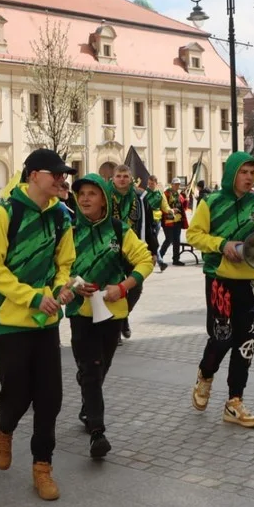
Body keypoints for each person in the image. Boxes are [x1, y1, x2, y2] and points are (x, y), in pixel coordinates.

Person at [0, 149, 76, 502]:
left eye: (63, 174)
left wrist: (59, 290)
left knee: (50, 398)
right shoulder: (5, 213)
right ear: (34, 175)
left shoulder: (61, 217)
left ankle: (42, 467)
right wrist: (33, 297)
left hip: (46, 322)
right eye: (55, 174)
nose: (61, 179)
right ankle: (4, 429)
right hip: (10, 321)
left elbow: (65, 263)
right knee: (17, 394)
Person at [186, 152, 254, 428]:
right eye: (244, 172)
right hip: (220, 281)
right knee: (221, 337)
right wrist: (221, 244)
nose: (250, 178)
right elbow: (193, 234)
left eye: (253, 173)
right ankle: (206, 374)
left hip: (252, 284)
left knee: (245, 345)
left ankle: (234, 402)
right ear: (232, 174)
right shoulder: (211, 203)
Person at [65, 174, 153, 458]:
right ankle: (97, 433)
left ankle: (88, 403)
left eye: (92, 193)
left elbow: (145, 259)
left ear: (104, 198)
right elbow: (58, 269)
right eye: (82, 194)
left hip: (111, 313)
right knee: (91, 369)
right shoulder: (68, 231)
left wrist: (123, 287)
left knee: (100, 367)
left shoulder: (119, 230)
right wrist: (76, 285)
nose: (85, 199)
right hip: (80, 311)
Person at [110, 165, 158, 343]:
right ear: (113, 178)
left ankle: (123, 316)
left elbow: (149, 224)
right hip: (111, 249)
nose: (122, 179)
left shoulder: (140, 197)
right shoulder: (106, 196)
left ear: (131, 179)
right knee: (114, 286)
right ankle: (114, 327)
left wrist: (153, 250)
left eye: (125, 176)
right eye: (118, 176)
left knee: (136, 287)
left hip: (133, 248)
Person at [142, 175, 171, 272]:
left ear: (156, 183)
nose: (150, 185)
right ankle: (160, 262)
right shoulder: (144, 193)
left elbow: (165, 206)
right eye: (149, 183)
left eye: (152, 184)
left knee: (153, 241)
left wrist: (170, 211)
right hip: (147, 221)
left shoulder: (160, 194)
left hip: (157, 220)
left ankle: (153, 259)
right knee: (152, 241)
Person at [160, 179, 189, 266]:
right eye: (175, 184)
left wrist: (186, 200)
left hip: (178, 221)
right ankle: (160, 256)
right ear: (171, 184)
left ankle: (176, 259)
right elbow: (164, 206)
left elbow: (183, 207)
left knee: (177, 240)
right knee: (169, 239)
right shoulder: (166, 193)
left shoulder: (179, 194)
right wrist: (171, 210)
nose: (177, 186)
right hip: (169, 220)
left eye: (178, 184)